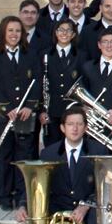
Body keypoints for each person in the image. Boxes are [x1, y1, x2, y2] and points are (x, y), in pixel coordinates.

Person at [15, 107, 106, 224]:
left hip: (85, 204)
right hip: (59, 204)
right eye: (71, 124)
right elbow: (36, 185)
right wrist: (23, 205)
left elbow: (104, 186)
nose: (75, 128)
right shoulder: (48, 153)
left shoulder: (98, 151)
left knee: (95, 216)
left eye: (80, 124)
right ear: (63, 128)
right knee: (41, 216)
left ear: (86, 128)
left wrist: (86, 205)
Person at [0, 16, 41, 210]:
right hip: (2, 117)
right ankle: (5, 197)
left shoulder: (31, 55)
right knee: (4, 156)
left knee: (24, 156)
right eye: (10, 31)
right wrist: (7, 109)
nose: (14, 34)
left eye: (18, 31)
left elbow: (38, 82)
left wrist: (29, 106)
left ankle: (22, 196)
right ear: (2, 33)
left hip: (24, 115)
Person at [39, 19, 81, 147]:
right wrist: (41, 110)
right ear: (55, 33)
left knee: (74, 147)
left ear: (73, 34)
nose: (64, 33)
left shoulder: (82, 55)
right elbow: (39, 86)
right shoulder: (44, 54)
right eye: (61, 30)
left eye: (68, 30)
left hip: (73, 111)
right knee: (52, 148)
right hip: (51, 111)